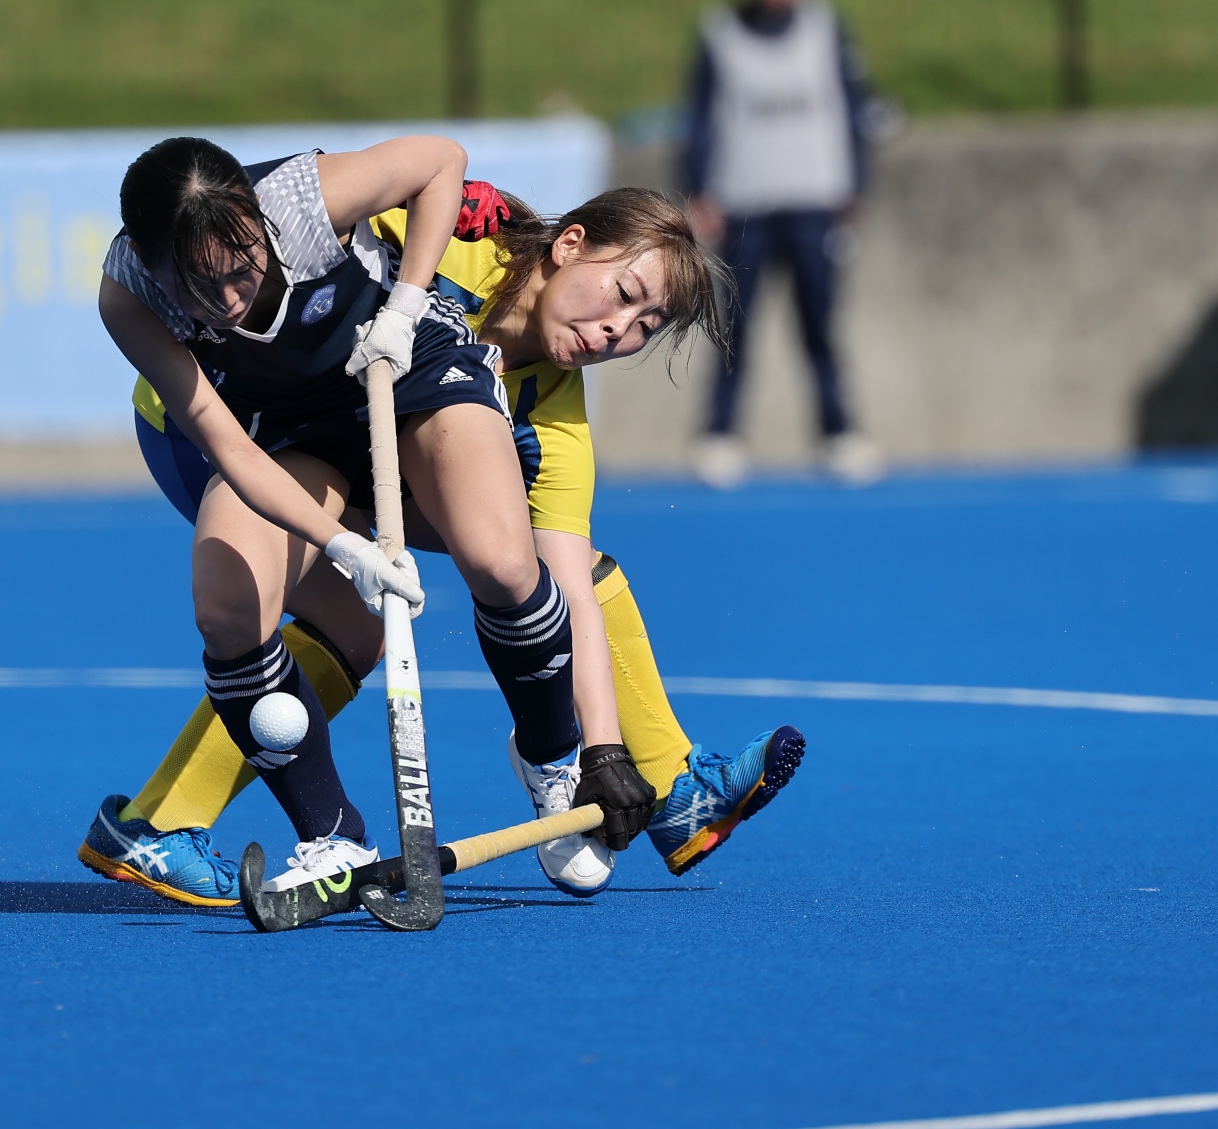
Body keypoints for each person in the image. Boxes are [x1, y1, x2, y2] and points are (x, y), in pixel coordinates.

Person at [80, 181, 809, 907]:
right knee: (290, 616)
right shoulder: (457, 246)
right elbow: (311, 224)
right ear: (569, 244)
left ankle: (667, 785)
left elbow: (569, 590)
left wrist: (603, 750)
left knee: (528, 570)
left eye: (647, 325)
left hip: (350, 450)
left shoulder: (554, 417)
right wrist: (424, 198)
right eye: (623, 293)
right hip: (218, 424)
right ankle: (159, 823)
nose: (620, 330)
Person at [682, 0, 884, 489]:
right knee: (735, 327)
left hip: (815, 202)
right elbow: (699, 117)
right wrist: (698, 189)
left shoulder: (827, 27)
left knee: (820, 324)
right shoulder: (720, 32)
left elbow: (854, 109)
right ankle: (720, 433)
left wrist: (856, 185)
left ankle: (838, 431)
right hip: (745, 204)